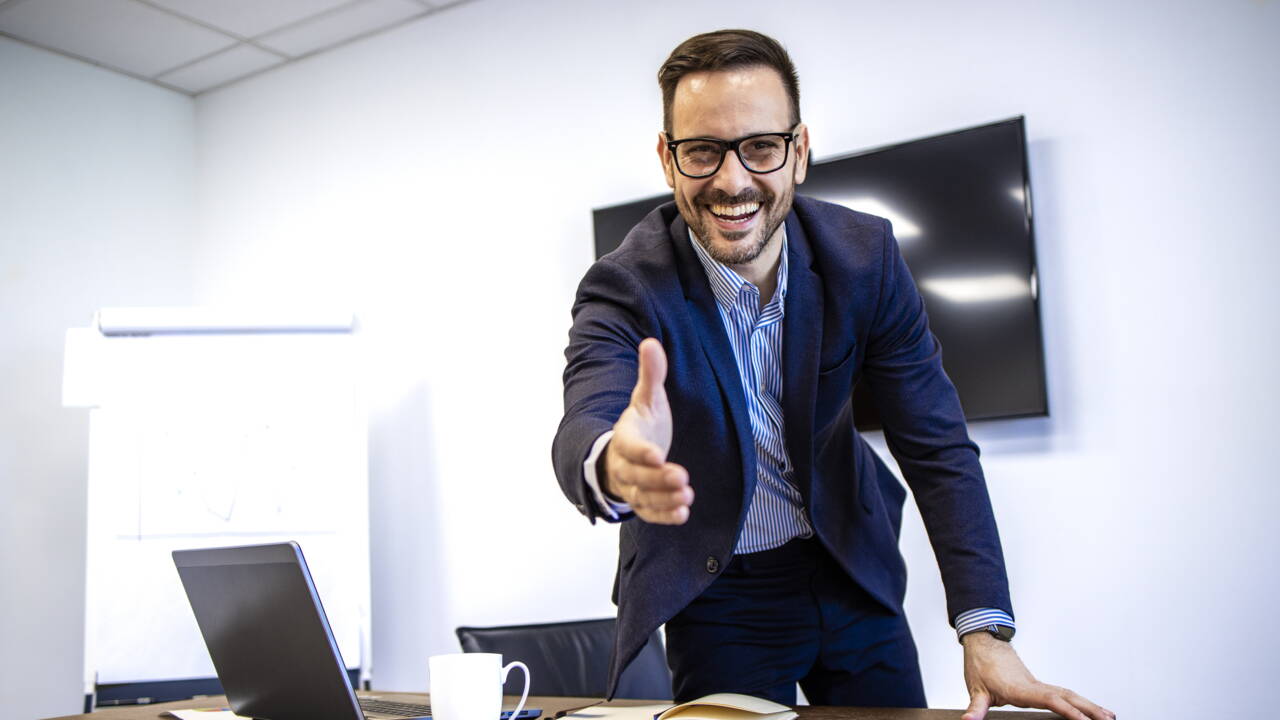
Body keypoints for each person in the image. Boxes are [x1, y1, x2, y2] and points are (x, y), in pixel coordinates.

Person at [552, 29, 1113, 720]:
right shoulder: (624, 286)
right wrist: (614, 464)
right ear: (669, 160)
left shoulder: (864, 257)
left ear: (799, 152)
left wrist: (984, 631)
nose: (733, 181)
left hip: (850, 563)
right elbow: (588, 413)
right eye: (702, 151)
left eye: (761, 147)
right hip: (721, 592)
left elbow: (936, 445)